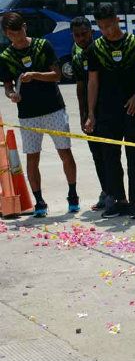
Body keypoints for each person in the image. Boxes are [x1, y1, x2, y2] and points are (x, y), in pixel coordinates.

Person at [0, 12, 79, 217]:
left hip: (53, 108)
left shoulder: (42, 46)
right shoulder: (6, 57)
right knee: (32, 158)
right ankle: (39, 201)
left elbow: (57, 75)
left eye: (19, 32)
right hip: (28, 114)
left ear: (25, 27)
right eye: (11, 34)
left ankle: (73, 195)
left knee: (65, 152)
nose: (16, 37)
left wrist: (35, 75)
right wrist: (12, 95)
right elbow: (7, 86)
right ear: (6, 34)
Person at [84, 3, 135, 219]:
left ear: (117, 20)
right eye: (102, 27)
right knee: (110, 157)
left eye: (109, 25)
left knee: (133, 157)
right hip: (106, 112)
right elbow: (93, 82)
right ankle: (118, 200)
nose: (107, 31)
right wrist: (91, 113)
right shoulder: (95, 48)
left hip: (131, 111)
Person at [71, 16, 106, 212]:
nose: (81, 38)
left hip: (107, 110)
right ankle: (105, 192)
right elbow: (80, 89)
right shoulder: (77, 58)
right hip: (90, 115)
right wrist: (83, 115)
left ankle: (116, 195)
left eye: (84, 34)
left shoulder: (101, 51)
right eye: (77, 35)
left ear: (92, 32)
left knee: (110, 155)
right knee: (97, 156)